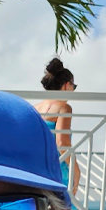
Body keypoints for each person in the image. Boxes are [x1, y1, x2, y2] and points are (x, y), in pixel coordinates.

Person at [36, 57, 77, 189]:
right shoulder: (64, 108)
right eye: (73, 86)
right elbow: (62, 143)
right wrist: (76, 171)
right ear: (66, 85)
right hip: (57, 171)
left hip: (37, 169)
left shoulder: (35, 108)